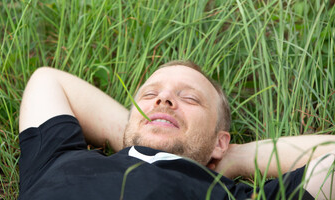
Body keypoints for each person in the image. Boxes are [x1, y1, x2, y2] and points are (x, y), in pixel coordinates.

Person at [18, 60, 335, 199]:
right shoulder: (55, 160)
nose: (164, 98)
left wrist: (236, 156)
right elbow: (48, 79)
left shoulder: (233, 196)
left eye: (189, 98)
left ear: (219, 142)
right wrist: (137, 134)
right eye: (150, 95)